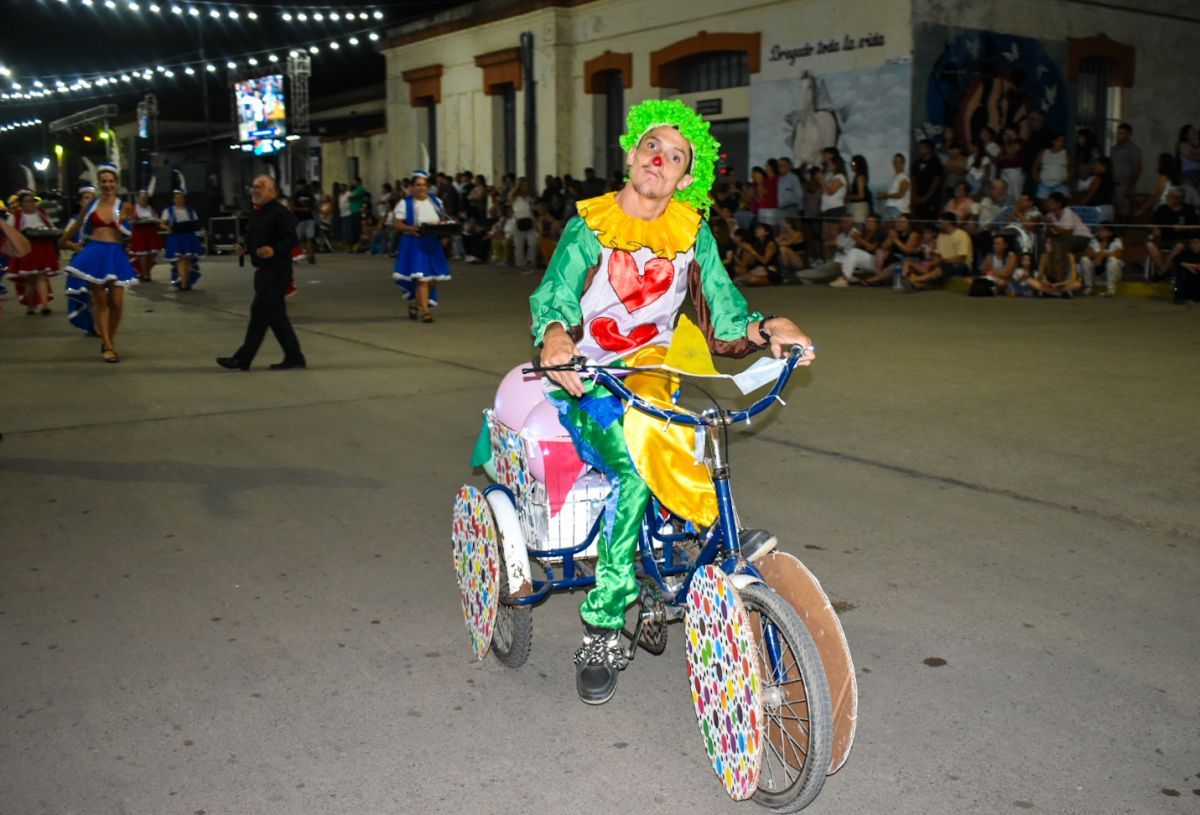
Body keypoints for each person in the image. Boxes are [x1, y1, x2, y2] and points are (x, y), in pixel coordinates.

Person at [529, 99, 814, 704]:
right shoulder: (591, 225)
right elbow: (555, 293)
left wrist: (770, 331)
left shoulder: (691, 232)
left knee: (701, 428)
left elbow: (724, 313)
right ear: (632, 155)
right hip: (588, 381)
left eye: (675, 155)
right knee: (633, 467)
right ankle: (603, 625)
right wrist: (556, 333)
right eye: (650, 147)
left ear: (686, 177)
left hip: (653, 377)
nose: (659, 158)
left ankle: (706, 530)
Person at [216, 176, 305, 371]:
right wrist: (243, 246)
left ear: (272, 192)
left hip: (277, 271)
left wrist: (274, 249)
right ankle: (294, 357)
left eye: (261, 187)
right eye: (254, 187)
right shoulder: (256, 213)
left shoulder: (281, 213)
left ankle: (243, 358)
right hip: (263, 271)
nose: (256, 190)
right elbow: (251, 235)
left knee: (260, 314)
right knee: (275, 317)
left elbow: (291, 239)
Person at [66, 164, 138, 363]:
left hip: (115, 254)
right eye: (104, 181)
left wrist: (123, 220)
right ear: (99, 183)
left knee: (117, 303)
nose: (108, 185)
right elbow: (79, 224)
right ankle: (107, 344)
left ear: (116, 183)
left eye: (111, 181)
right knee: (101, 303)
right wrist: (63, 240)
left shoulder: (124, 206)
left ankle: (109, 339)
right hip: (95, 253)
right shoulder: (91, 205)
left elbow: (129, 233)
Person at [391, 170, 452, 322]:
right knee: (422, 278)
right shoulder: (405, 203)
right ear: (411, 187)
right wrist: (410, 228)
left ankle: (415, 304)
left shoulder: (436, 202)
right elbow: (397, 224)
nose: (421, 188)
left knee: (433, 279)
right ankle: (425, 311)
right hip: (414, 243)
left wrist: (445, 233)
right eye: (417, 185)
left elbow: (442, 220)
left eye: (424, 185)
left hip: (432, 243)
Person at [5, 189, 61, 315]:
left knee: (42, 277)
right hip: (27, 251)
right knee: (30, 279)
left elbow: (51, 227)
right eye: (27, 201)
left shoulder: (41, 213)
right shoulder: (17, 216)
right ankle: (30, 305)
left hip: (42, 248)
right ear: (21, 203)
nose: (30, 204)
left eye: (32, 201)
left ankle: (45, 306)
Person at [59, 184, 98, 334]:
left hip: (98, 259)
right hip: (82, 260)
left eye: (92, 198)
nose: (89, 201)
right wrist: (75, 246)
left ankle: (98, 325)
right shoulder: (75, 220)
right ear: (81, 202)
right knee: (88, 295)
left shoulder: (100, 217)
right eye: (86, 198)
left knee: (99, 295)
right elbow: (64, 240)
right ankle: (94, 326)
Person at [901, 211, 972, 291]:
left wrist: (941, 260)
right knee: (917, 264)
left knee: (939, 270)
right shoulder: (941, 236)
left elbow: (960, 259)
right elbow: (937, 255)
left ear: (947, 222)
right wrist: (931, 264)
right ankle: (916, 285)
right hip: (944, 264)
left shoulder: (961, 235)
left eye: (940, 222)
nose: (938, 224)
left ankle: (915, 280)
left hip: (962, 265)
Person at [1146, 187, 1200, 274]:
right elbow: (1152, 223)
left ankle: (1162, 272)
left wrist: (1184, 228)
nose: (1167, 198)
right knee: (1150, 244)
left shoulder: (1188, 210)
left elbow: (1197, 226)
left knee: (1179, 246)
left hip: (1181, 239)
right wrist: (1155, 228)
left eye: (1169, 196)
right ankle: (1163, 269)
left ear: (1178, 199)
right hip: (1163, 238)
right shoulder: (1162, 209)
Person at [162, 189, 204, 291]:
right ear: (174, 199)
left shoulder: (190, 210)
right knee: (180, 260)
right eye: (176, 198)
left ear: (184, 199)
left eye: (181, 198)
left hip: (188, 236)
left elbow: (196, 223)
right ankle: (184, 283)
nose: (178, 200)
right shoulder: (168, 210)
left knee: (188, 260)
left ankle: (186, 282)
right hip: (176, 237)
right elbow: (162, 223)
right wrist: (168, 228)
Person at [832, 212, 886, 286]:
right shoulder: (866, 232)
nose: (868, 223)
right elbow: (858, 247)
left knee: (854, 252)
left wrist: (858, 238)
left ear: (877, 224)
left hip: (876, 262)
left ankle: (845, 279)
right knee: (840, 257)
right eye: (867, 221)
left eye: (871, 221)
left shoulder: (880, 231)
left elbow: (872, 248)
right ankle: (851, 278)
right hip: (865, 262)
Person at [1079, 223, 1123, 296]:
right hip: (1096, 270)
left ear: (1110, 233)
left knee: (1113, 260)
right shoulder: (1094, 240)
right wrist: (1099, 255)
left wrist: (1103, 255)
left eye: (1103, 230)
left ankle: (1110, 289)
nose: (1099, 232)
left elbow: (1118, 253)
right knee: (1085, 260)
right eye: (1099, 230)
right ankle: (1088, 288)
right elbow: (1088, 252)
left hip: (1108, 272)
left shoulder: (1116, 241)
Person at [128, 189, 163, 282]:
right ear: (138, 198)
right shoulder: (134, 208)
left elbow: (156, 219)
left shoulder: (151, 209)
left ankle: (147, 270)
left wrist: (156, 221)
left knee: (153, 253)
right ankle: (145, 274)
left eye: (145, 197)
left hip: (150, 232)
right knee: (143, 254)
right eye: (142, 197)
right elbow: (130, 220)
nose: (143, 199)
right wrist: (135, 219)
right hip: (140, 232)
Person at [1110, 123, 1142, 221]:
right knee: (1112, 212)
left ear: (1128, 134)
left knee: (1124, 214)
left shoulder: (1133, 149)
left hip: (1124, 186)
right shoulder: (1114, 148)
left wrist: (1131, 186)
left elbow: (1137, 169)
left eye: (1122, 133)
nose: (1118, 135)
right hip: (1112, 185)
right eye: (1118, 133)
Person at [733, 221, 780, 285]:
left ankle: (771, 281)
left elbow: (765, 261)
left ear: (767, 232)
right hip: (758, 269)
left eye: (760, 229)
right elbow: (751, 262)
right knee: (737, 279)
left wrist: (752, 250)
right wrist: (747, 251)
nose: (757, 230)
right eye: (757, 229)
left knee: (753, 280)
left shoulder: (770, 244)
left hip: (769, 269)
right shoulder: (757, 243)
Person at [911, 140, 944, 225]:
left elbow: (936, 181)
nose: (920, 150)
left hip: (931, 199)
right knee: (918, 220)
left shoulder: (936, 163)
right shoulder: (917, 163)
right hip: (918, 198)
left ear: (929, 149)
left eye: (923, 147)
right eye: (920, 148)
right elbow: (913, 180)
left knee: (929, 222)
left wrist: (926, 197)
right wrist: (915, 196)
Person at [509, 177, 538, 270]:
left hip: (529, 220)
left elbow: (532, 210)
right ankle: (521, 264)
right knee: (519, 245)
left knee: (533, 242)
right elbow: (510, 206)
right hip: (518, 220)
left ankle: (530, 260)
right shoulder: (514, 196)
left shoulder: (529, 198)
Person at [1034, 133, 1072, 201]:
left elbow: (1072, 167)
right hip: (1044, 183)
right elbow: (1036, 165)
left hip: (1060, 183)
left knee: (1061, 203)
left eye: (1063, 141)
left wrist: (1069, 177)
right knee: (1044, 205)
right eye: (1060, 141)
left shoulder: (1066, 153)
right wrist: (1036, 176)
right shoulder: (1044, 152)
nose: (1062, 143)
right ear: (1053, 141)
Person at [877, 153, 911, 220]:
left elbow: (900, 194)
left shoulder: (904, 178)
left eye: (899, 162)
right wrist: (883, 196)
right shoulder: (895, 177)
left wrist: (885, 195)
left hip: (899, 209)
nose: (897, 164)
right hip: (892, 208)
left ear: (903, 163)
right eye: (895, 161)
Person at [291, 179, 316, 264]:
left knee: (310, 237)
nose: (300, 187)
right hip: (299, 219)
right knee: (297, 238)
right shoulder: (295, 195)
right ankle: (295, 255)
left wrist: (309, 209)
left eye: (301, 185)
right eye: (299, 185)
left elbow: (313, 205)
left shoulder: (309, 194)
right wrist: (302, 209)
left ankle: (311, 256)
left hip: (309, 218)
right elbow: (292, 206)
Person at [1172, 235, 1200, 304]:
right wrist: (1187, 265)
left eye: (1195, 242)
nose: (1193, 245)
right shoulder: (1187, 252)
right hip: (1189, 279)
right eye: (1191, 243)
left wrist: (1196, 266)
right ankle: (1179, 298)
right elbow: (1175, 259)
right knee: (1181, 273)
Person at [845, 154, 872, 224]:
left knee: (858, 228)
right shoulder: (858, 176)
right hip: (857, 206)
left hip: (859, 207)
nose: (851, 164)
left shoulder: (860, 177)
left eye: (853, 163)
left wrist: (848, 197)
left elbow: (861, 195)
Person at [776, 157, 803, 221]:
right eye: (779, 165)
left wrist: (800, 209)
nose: (780, 167)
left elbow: (799, 195)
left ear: (789, 166)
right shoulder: (779, 178)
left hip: (791, 209)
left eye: (783, 165)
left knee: (790, 230)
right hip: (780, 210)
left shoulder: (793, 178)